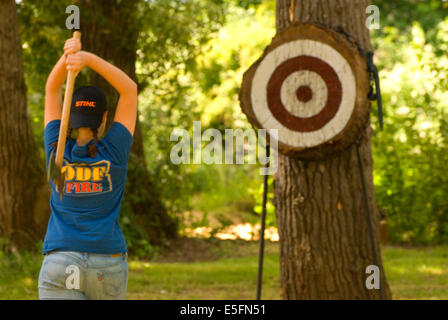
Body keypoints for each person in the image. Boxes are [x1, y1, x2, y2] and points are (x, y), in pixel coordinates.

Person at [38, 35, 137, 300]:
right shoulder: (115, 149)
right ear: (105, 118)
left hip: (60, 260)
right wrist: (89, 59)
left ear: (68, 116)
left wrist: (68, 58)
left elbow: (51, 89)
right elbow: (129, 90)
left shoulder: (56, 146)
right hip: (108, 263)